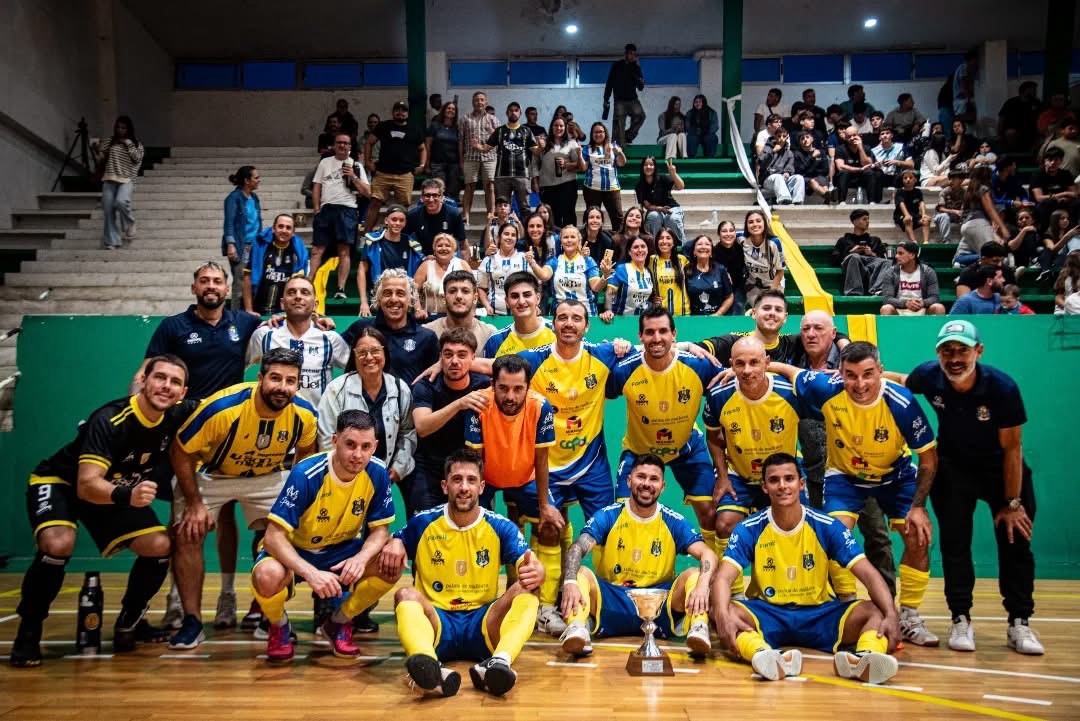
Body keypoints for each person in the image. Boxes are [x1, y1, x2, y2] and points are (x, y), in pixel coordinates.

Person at [10, 356, 194, 667]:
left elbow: (226, 403)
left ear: (183, 391)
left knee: (161, 545)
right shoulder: (110, 419)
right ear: (143, 380)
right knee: (58, 544)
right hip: (64, 483)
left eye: (175, 382)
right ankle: (28, 632)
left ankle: (130, 622)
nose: (166, 386)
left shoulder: (179, 413)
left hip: (118, 489)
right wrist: (127, 494)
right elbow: (87, 486)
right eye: (160, 378)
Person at [774, 341, 940, 648]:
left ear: (880, 371)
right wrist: (740, 368)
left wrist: (919, 507)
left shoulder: (900, 401)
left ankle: (909, 615)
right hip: (845, 477)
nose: (860, 384)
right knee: (836, 536)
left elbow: (928, 459)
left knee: (917, 535)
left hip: (895, 475)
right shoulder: (826, 387)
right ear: (840, 373)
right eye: (851, 375)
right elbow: (789, 370)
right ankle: (847, 605)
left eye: (868, 374)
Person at [891, 321, 1044, 654]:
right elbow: (902, 380)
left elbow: (1013, 449)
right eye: (947, 350)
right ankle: (961, 619)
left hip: (1001, 471)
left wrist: (1012, 503)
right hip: (954, 470)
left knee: (1015, 540)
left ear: (979, 351)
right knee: (955, 544)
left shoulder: (1002, 388)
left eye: (962, 349)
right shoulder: (930, 375)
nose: (955, 357)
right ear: (938, 354)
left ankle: (1019, 623)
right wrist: (867, 377)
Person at [167, 348, 318, 649]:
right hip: (213, 474)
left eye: (290, 381)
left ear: (298, 384)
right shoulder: (223, 408)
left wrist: (295, 500)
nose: (282, 387)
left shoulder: (304, 414)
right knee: (188, 533)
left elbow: (305, 455)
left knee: (279, 534)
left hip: (267, 476)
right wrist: (195, 503)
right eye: (275, 378)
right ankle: (192, 621)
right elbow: (181, 450)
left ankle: (268, 613)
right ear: (260, 378)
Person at [711, 453, 901, 685]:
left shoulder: (827, 526)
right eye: (774, 480)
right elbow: (722, 579)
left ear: (801, 484)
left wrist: (892, 615)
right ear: (764, 487)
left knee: (877, 610)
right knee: (722, 610)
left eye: (789, 478)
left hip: (820, 614)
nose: (782, 486)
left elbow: (870, 575)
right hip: (768, 614)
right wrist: (721, 617)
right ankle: (764, 655)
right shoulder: (749, 528)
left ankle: (864, 658)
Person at [380, 448, 543, 697]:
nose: (464, 487)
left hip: (483, 623)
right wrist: (395, 541)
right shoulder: (423, 523)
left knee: (528, 589)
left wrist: (537, 570)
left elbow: (528, 562)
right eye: (457, 480)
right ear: (445, 486)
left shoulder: (499, 526)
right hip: (438, 621)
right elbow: (395, 539)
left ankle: (499, 661)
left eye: (471, 480)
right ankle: (428, 663)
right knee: (405, 594)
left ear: (481, 487)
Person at [250, 410, 397, 661]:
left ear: (375, 446)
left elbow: (380, 531)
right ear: (335, 440)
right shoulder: (307, 473)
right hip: (295, 550)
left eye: (365, 446)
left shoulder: (377, 472)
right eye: (350, 444)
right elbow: (274, 537)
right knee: (266, 575)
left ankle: (337, 624)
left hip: (341, 550)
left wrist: (361, 559)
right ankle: (278, 626)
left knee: (390, 564)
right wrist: (311, 573)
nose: (358, 454)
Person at [559, 453, 718, 658]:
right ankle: (577, 628)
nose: (646, 484)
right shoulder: (609, 515)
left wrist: (704, 584)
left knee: (695, 574)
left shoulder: (672, 521)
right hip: (613, 599)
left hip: (658, 603)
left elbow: (708, 554)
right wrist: (569, 580)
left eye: (654, 479)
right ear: (629, 480)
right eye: (641, 476)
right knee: (579, 573)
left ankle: (698, 628)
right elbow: (577, 548)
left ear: (662, 486)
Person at [463, 355, 561, 634]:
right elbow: (474, 460)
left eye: (518, 388)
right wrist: (475, 509)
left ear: (528, 387)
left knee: (552, 525)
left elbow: (542, 459)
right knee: (476, 532)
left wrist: (544, 505)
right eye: (503, 388)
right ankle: (478, 602)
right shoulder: (479, 404)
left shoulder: (540, 406)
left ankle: (545, 607)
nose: (510, 395)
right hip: (487, 477)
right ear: (492, 384)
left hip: (525, 476)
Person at [703, 337, 807, 597]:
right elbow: (714, 438)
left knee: (796, 529)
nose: (747, 370)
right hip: (739, 475)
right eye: (740, 364)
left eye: (754, 362)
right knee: (725, 523)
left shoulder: (790, 392)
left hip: (780, 477)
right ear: (730, 365)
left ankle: (788, 589)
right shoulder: (718, 395)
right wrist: (723, 476)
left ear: (767, 363)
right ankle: (732, 595)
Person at [606, 306, 723, 536]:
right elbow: (601, 391)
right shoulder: (625, 370)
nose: (656, 338)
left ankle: (715, 569)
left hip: (687, 449)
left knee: (710, 511)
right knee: (623, 514)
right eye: (649, 332)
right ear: (640, 336)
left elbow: (730, 385)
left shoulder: (698, 365)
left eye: (663, 331)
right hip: (639, 451)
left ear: (674, 334)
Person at [318, 327, 416, 491]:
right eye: (362, 352)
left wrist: (399, 468)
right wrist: (344, 473)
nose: (369, 357)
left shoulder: (400, 389)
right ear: (354, 356)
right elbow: (326, 437)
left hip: (384, 478)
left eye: (375, 351)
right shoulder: (336, 390)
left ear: (385, 354)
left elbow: (408, 432)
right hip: (343, 478)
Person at [410, 328, 491, 514]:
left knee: (475, 528)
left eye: (462, 355)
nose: (454, 361)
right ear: (440, 358)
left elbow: (517, 367)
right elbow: (422, 427)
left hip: (470, 467)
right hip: (430, 467)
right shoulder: (426, 385)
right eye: (448, 355)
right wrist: (459, 404)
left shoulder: (484, 384)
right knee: (424, 525)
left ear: (473, 359)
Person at [246, 277, 350, 406]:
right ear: (282, 303)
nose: (298, 297)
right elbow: (236, 367)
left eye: (305, 292)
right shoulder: (264, 335)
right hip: (273, 420)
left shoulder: (330, 339)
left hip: (315, 423)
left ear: (315, 305)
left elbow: (356, 372)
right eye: (291, 292)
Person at [341, 269, 439, 383]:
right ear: (378, 298)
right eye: (387, 293)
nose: (393, 299)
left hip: (411, 400)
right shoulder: (360, 328)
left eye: (400, 294)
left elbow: (434, 381)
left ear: (410, 299)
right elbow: (328, 346)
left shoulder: (427, 337)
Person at [311, 132, 370, 300]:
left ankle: (340, 288)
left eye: (346, 143)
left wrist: (353, 177)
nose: (342, 145)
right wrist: (316, 209)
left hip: (347, 210)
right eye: (339, 142)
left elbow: (368, 192)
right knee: (317, 250)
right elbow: (316, 186)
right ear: (334, 145)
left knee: (344, 250)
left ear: (350, 147)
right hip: (326, 209)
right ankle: (309, 283)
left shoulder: (356, 166)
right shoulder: (324, 163)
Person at [364, 101, 426, 233]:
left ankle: (402, 236)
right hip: (382, 173)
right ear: (393, 112)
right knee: (374, 203)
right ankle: (366, 235)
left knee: (403, 208)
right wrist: (367, 161)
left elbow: (422, 149)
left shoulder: (415, 129)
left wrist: (422, 165)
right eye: (397, 109)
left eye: (403, 110)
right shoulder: (383, 126)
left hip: (404, 175)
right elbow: (369, 142)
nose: (400, 112)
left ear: (407, 113)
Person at [357, 205, 424, 317]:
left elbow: (414, 279)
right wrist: (363, 302)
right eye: (394, 219)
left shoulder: (411, 244)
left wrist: (417, 307)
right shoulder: (373, 241)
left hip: (402, 297)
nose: (397, 223)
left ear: (405, 223)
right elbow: (361, 270)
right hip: (379, 296)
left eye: (401, 220)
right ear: (386, 220)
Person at [530, 225, 612, 316]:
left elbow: (596, 287)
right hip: (559, 314)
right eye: (565, 237)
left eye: (572, 237)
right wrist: (532, 263)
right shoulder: (554, 261)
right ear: (560, 242)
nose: (569, 240)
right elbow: (544, 276)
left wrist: (605, 276)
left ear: (578, 241)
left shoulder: (587, 261)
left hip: (586, 313)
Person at [478, 102, 542, 216]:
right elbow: (486, 148)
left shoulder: (526, 131)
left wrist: (542, 145)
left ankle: (526, 233)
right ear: (507, 113)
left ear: (520, 113)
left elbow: (536, 151)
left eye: (516, 110)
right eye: (511, 110)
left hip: (522, 174)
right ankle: (502, 233)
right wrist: (476, 146)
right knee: (502, 210)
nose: (513, 112)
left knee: (525, 209)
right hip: (502, 175)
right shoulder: (500, 131)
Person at [243, 214, 309, 316]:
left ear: (293, 233)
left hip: (284, 314)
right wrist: (249, 310)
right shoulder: (260, 248)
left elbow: (300, 284)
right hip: (257, 311)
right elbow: (247, 278)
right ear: (273, 228)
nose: (284, 230)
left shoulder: (298, 254)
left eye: (288, 228)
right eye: (280, 226)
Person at [481, 271, 556, 358]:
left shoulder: (557, 332)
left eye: (527, 295)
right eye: (515, 296)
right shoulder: (496, 341)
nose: (521, 301)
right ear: (507, 302)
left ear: (538, 298)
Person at [96, 115, 144, 250]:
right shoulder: (109, 142)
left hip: (127, 179)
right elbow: (100, 159)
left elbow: (137, 158)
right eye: (118, 127)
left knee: (121, 201)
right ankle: (112, 241)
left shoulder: (136, 144)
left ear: (129, 129)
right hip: (109, 178)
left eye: (123, 127)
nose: (120, 130)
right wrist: (97, 151)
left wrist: (128, 143)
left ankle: (129, 224)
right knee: (108, 210)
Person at [424, 269, 498, 351]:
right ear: (443, 298)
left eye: (465, 291)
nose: (459, 296)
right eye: (452, 291)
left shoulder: (489, 334)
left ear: (475, 298)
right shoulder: (427, 332)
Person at [222, 165, 262, 307]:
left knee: (252, 280)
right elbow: (229, 222)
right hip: (240, 246)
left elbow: (257, 222)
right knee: (240, 282)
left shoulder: (254, 197)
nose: (259, 180)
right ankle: (235, 316)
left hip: (254, 246)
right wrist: (230, 244)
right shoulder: (234, 198)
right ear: (246, 180)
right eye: (256, 177)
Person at [955, 165, 1010, 266]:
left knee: (959, 258)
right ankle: (1009, 274)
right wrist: (1003, 228)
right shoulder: (983, 188)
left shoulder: (970, 190)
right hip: (978, 223)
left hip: (966, 226)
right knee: (991, 256)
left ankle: (963, 270)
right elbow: (990, 210)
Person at [460, 91, 500, 225]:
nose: (479, 102)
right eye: (477, 100)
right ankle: (466, 215)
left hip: (489, 157)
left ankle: (491, 215)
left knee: (490, 187)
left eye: (482, 100)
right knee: (469, 186)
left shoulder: (493, 119)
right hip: (470, 157)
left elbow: (499, 139)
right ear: (473, 102)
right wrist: (461, 159)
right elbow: (460, 140)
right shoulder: (465, 119)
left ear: (486, 102)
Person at [539, 115, 585, 229]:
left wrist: (566, 164)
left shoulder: (572, 143)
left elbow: (580, 165)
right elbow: (535, 163)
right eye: (556, 125)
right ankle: (554, 243)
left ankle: (571, 240)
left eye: (561, 126)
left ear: (565, 128)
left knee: (568, 215)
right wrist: (535, 181)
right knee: (552, 217)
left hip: (567, 184)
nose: (558, 128)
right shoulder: (543, 143)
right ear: (551, 127)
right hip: (547, 186)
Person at [831, 209, 889, 296]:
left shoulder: (875, 240)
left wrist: (872, 254)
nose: (868, 222)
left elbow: (883, 257)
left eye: (868, 219)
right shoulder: (843, 240)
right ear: (855, 222)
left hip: (870, 263)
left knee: (887, 262)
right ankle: (853, 292)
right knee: (854, 257)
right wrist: (851, 252)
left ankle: (877, 289)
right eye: (864, 219)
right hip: (853, 261)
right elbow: (834, 260)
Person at [878, 241, 946, 316]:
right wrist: (906, 303)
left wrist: (923, 303)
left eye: (900, 253)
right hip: (899, 310)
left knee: (939, 308)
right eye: (897, 253)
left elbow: (934, 297)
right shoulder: (890, 272)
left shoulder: (928, 272)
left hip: (922, 309)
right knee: (886, 309)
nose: (896, 256)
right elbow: (887, 299)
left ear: (912, 255)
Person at [581, 122, 626, 230]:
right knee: (592, 218)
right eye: (595, 132)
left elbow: (621, 163)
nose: (598, 134)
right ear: (592, 134)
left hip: (612, 188)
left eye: (601, 131)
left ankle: (619, 244)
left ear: (605, 133)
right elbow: (583, 168)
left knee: (618, 218)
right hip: (592, 189)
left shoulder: (613, 146)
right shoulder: (587, 149)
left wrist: (619, 153)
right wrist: (579, 155)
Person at [478, 223, 531, 317]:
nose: (510, 237)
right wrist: (486, 305)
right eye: (506, 234)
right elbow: (481, 288)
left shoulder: (524, 259)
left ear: (516, 239)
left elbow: (534, 286)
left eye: (513, 235)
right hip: (494, 314)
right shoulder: (488, 260)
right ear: (499, 237)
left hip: (521, 313)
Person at [407, 179, 468, 259]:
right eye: (427, 195)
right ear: (422, 197)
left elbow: (463, 245)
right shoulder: (413, 215)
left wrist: (464, 269)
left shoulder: (453, 214)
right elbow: (404, 239)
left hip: (447, 258)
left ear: (442, 197)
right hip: (422, 258)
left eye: (435, 195)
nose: (431, 199)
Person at [414, 232, 471, 317]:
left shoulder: (463, 265)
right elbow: (413, 290)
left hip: (457, 318)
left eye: (448, 246)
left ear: (454, 249)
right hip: (429, 318)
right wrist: (418, 309)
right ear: (434, 249)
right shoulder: (426, 265)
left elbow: (472, 291)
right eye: (440, 246)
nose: (443, 248)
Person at [636, 157, 686, 247]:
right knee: (653, 216)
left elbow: (680, 186)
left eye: (651, 164)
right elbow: (647, 205)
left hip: (672, 207)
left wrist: (673, 174)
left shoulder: (662, 178)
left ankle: (680, 245)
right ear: (642, 167)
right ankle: (655, 246)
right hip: (655, 210)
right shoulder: (639, 185)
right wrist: (659, 208)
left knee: (672, 219)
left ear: (655, 167)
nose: (648, 167)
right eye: (646, 164)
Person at [740, 210, 786, 307]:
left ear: (764, 223)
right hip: (753, 285)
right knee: (760, 309)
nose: (755, 224)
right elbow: (725, 237)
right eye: (751, 222)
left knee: (770, 306)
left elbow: (780, 272)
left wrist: (771, 292)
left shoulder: (774, 243)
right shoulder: (741, 239)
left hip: (774, 284)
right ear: (746, 225)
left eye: (758, 221)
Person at [603, 235, 654, 319]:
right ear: (629, 252)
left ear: (647, 250)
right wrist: (608, 310)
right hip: (622, 320)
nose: (640, 250)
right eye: (636, 247)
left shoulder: (648, 272)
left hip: (644, 321)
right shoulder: (622, 269)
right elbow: (609, 293)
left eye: (643, 246)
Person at [604, 43, 646, 146]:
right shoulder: (617, 66)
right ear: (626, 54)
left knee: (641, 116)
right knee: (619, 125)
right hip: (620, 100)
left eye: (634, 54)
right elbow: (610, 83)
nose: (632, 56)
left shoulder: (636, 67)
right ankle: (620, 147)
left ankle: (629, 136)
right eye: (631, 54)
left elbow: (640, 88)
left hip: (632, 99)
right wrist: (606, 99)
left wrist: (640, 80)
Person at [1031, 146, 1080, 231]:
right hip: (1047, 204)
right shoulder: (1037, 175)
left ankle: (1075, 229)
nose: (1053, 163)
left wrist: (1064, 198)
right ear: (1045, 161)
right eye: (1050, 160)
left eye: (1056, 160)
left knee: (1077, 203)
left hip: (1064, 202)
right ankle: (1045, 232)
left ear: (1061, 161)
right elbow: (1039, 198)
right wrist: (1062, 194)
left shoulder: (1066, 174)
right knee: (1046, 203)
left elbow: (1074, 194)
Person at [685, 234, 734, 316]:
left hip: (717, 319)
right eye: (699, 244)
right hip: (694, 319)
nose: (703, 247)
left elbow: (730, 296)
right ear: (694, 251)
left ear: (711, 251)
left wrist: (718, 313)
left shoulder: (720, 269)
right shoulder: (686, 271)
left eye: (707, 244)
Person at [648, 227, 690, 316]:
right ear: (656, 242)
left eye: (668, 238)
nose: (664, 241)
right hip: (660, 313)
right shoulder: (651, 260)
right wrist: (650, 297)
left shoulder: (683, 260)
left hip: (683, 312)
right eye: (661, 238)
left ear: (673, 242)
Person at [425, 101, 461, 201]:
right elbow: (428, 145)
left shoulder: (457, 128)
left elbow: (460, 146)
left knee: (453, 191)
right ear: (444, 110)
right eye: (448, 108)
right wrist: (427, 164)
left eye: (453, 109)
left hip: (454, 164)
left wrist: (461, 163)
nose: (451, 110)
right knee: (439, 189)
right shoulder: (434, 126)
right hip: (437, 163)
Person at [759, 129, 805, 205]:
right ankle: (784, 200)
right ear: (775, 137)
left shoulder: (789, 152)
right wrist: (773, 151)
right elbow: (760, 162)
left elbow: (790, 166)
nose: (781, 138)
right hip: (768, 179)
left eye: (784, 136)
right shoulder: (768, 148)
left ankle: (798, 201)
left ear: (787, 138)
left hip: (783, 179)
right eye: (779, 136)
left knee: (799, 178)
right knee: (778, 177)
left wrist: (787, 172)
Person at [868, 127, 913, 204]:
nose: (885, 136)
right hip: (882, 176)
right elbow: (869, 166)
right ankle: (876, 201)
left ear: (892, 135)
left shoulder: (901, 147)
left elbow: (911, 164)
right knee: (875, 174)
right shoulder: (873, 151)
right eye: (882, 134)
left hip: (896, 175)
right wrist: (876, 165)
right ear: (879, 137)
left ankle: (896, 199)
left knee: (903, 174)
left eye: (887, 133)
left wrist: (896, 162)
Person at [711, 220, 747, 314]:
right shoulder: (713, 252)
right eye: (724, 231)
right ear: (719, 234)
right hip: (721, 288)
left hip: (738, 288)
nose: (728, 234)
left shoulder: (741, 248)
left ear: (735, 233)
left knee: (737, 306)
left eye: (731, 230)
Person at [832, 126, 874, 205]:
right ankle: (842, 201)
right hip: (848, 178)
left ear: (859, 135)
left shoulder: (866, 148)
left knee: (870, 173)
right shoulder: (840, 149)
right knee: (843, 172)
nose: (852, 138)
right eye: (849, 136)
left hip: (863, 177)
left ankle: (871, 201)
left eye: (854, 135)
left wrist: (860, 148)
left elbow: (867, 164)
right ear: (845, 138)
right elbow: (840, 166)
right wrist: (859, 169)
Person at [894, 169, 931, 245]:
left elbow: (921, 203)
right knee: (908, 220)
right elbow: (901, 204)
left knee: (926, 220)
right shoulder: (899, 192)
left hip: (915, 215)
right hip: (901, 215)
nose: (908, 179)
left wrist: (924, 214)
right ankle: (914, 242)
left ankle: (926, 242)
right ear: (902, 180)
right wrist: (907, 215)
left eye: (910, 177)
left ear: (915, 180)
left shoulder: (918, 191)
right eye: (905, 178)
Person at [793, 130, 830, 204]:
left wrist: (812, 171)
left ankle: (828, 195)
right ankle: (829, 197)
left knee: (822, 179)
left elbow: (826, 169)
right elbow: (799, 170)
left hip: (819, 177)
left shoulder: (821, 152)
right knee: (813, 181)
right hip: (804, 179)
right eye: (802, 138)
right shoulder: (797, 154)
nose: (805, 140)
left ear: (812, 139)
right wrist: (812, 157)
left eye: (807, 137)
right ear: (800, 142)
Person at [932, 167, 967, 243]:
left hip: (957, 217)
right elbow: (941, 209)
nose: (952, 181)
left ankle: (967, 241)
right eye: (951, 179)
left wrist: (961, 212)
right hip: (941, 216)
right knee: (945, 216)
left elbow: (964, 208)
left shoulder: (965, 193)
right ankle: (946, 241)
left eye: (954, 179)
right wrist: (954, 211)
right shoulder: (944, 192)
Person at [685, 94, 719, 158]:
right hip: (694, 135)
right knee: (690, 138)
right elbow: (687, 126)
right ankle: (691, 159)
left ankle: (710, 158)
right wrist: (696, 132)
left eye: (700, 102)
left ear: (704, 102)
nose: (698, 104)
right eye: (696, 102)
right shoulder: (690, 113)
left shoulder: (712, 112)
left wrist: (705, 131)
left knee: (712, 137)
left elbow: (715, 126)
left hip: (707, 134)